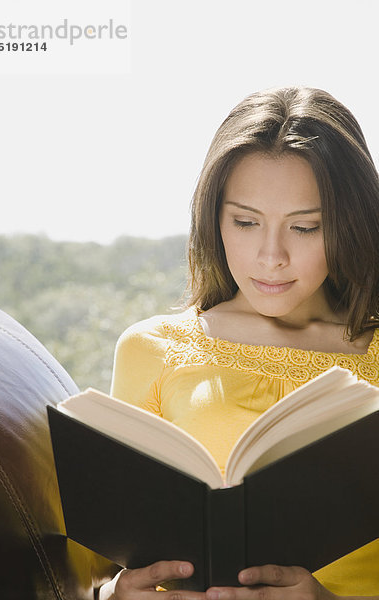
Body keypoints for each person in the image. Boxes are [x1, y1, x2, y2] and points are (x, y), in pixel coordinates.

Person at [99, 86, 379, 600]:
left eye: (304, 227)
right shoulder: (152, 349)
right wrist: (114, 594)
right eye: (246, 222)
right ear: (215, 221)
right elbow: (92, 566)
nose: (271, 256)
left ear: (348, 224)